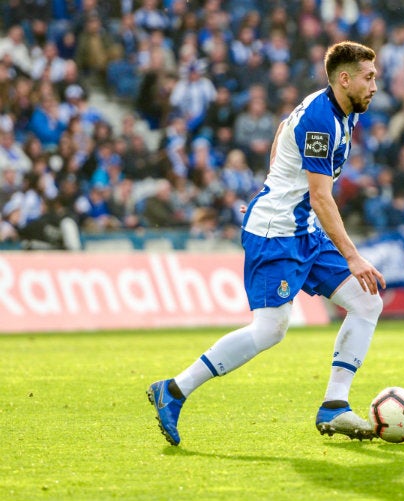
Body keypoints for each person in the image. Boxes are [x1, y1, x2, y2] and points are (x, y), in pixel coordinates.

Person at [147, 41, 386, 445]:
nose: (375, 85)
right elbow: (320, 196)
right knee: (270, 329)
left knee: (367, 302)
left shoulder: (343, 110)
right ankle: (173, 391)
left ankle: (335, 406)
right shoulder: (321, 119)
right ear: (344, 79)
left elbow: (281, 130)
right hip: (277, 232)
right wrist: (353, 256)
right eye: (369, 77)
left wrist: (272, 184)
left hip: (302, 227)